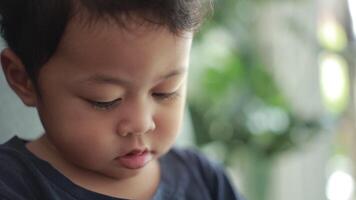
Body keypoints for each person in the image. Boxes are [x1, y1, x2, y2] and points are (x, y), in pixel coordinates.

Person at [0, 0, 244, 199]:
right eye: (105, 100)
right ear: (23, 79)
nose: (141, 123)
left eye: (166, 91)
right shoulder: (12, 185)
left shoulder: (205, 180)